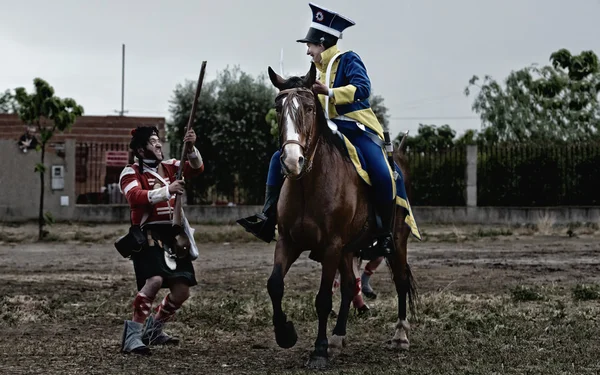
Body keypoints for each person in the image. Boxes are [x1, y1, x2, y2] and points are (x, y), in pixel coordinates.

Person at [238, 2, 397, 259]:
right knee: (275, 159)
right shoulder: (316, 71)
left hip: (356, 128)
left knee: (382, 172)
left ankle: (384, 235)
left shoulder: (349, 59)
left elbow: (364, 89)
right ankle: (268, 217)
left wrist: (331, 92)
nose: (308, 52)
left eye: (309, 46)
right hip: (326, 131)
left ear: (321, 43)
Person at [118, 126, 204, 355]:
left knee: (182, 291)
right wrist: (169, 190)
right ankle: (133, 335)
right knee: (154, 280)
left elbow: (197, 168)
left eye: (159, 140)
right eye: (152, 141)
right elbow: (135, 197)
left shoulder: (171, 166)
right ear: (139, 149)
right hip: (148, 234)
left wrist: (192, 147)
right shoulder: (130, 172)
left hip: (174, 235)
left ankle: (153, 330)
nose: (158, 144)